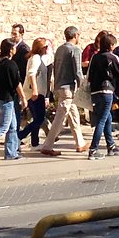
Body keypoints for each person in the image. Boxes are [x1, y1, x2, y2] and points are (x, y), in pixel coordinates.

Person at [42, 26, 86, 155]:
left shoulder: (60, 49)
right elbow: (78, 71)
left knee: (74, 116)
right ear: (76, 35)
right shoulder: (75, 50)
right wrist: (82, 86)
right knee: (60, 118)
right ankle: (48, 145)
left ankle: (80, 143)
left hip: (60, 85)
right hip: (69, 87)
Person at [83, 32, 119, 158]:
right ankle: (93, 149)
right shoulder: (112, 57)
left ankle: (110, 145)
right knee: (102, 120)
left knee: (107, 118)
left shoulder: (95, 57)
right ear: (111, 45)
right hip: (106, 91)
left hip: (95, 91)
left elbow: (89, 75)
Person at [19, 36, 52, 149]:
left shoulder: (38, 58)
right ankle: (19, 136)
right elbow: (31, 74)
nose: (47, 49)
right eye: (45, 47)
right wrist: (35, 90)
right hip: (36, 94)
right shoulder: (36, 58)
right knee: (39, 119)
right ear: (41, 48)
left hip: (38, 93)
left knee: (37, 118)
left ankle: (35, 142)